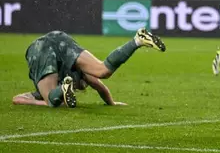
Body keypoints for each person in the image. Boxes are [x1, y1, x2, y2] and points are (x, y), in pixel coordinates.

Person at [13, 29, 165, 108]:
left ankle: (138, 41)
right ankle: (136, 40)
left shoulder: (82, 76)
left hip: (39, 48)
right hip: (60, 37)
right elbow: (101, 87)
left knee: (52, 101)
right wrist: (111, 103)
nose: (84, 85)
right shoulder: (84, 75)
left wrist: (43, 102)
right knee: (102, 69)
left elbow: (18, 99)